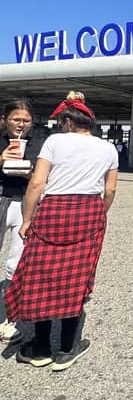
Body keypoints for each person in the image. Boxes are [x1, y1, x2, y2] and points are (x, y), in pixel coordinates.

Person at [5, 91, 119, 371]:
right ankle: (68, 347)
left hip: (54, 209)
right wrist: (98, 213)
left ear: (68, 121)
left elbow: (36, 184)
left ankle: (41, 348)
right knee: (78, 277)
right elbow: (111, 189)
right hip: (90, 209)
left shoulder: (55, 141)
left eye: (59, 121)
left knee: (41, 275)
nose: (57, 126)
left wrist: (28, 219)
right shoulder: (108, 148)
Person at [0, 99, 37, 345]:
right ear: (5, 120)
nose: (21, 124)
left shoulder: (38, 145)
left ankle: (9, 321)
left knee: (16, 260)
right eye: (16, 119)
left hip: (23, 203)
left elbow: (42, 178)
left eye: (26, 120)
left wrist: (29, 173)